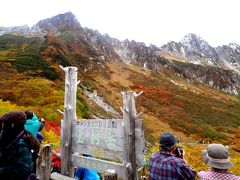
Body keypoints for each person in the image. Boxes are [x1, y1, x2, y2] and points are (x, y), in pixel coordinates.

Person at [0, 111, 40, 179]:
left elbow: (25, 168)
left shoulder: (21, 144)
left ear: (12, 125)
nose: (2, 128)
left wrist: (2, 170)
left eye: (5, 124)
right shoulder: (10, 137)